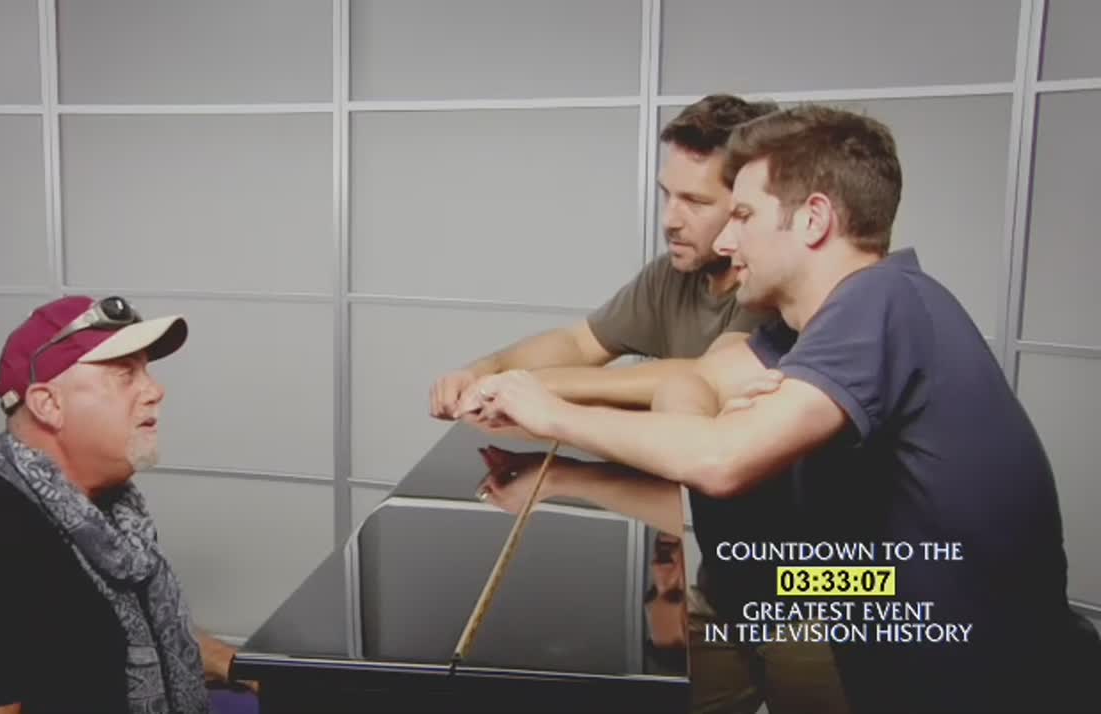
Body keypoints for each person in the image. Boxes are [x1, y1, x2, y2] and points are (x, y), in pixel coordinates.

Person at [467, 105, 1101, 713]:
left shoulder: (881, 300)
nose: (727, 237)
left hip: (1000, 688)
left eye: (743, 214)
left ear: (813, 219)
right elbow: (694, 381)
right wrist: (712, 425)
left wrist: (555, 415)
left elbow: (721, 462)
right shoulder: (800, 332)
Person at [443, 94, 851, 714]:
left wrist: (538, 398)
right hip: (727, 569)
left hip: (818, 587)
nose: (670, 219)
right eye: (667, 195)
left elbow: (699, 384)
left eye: (698, 202)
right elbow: (581, 343)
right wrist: (487, 368)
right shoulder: (672, 278)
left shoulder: (779, 291)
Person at [0, 295, 250, 714]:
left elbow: (121, 639)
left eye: (146, 372)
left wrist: (243, 667)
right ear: (49, 404)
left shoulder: (113, 522)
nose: (156, 390)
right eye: (125, 374)